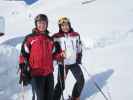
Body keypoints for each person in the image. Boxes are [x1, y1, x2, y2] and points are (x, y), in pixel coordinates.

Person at [19, 14, 63, 100]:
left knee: (49, 97)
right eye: (39, 23)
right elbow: (23, 54)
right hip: (36, 74)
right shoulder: (30, 38)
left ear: (46, 24)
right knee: (40, 97)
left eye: (44, 23)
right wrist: (23, 69)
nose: (42, 25)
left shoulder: (50, 40)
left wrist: (60, 56)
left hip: (49, 73)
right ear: (36, 24)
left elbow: (53, 55)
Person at [52, 17, 85, 100]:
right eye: (62, 25)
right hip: (63, 64)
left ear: (69, 25)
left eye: (66, 25)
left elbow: (79, 47)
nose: (65, 27)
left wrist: (79, 57)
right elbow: (52, 51)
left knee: (81, 81)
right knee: (61, 85)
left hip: (73, 63)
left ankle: (74, 97)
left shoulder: (76, 35)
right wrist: (58, 55)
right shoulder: (56, 37)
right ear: (60, 27)